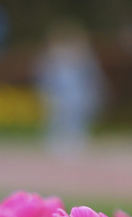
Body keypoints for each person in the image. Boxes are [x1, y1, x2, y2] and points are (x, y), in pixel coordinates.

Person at [38, 22, 104, 157]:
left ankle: (76, 143)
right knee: (58, 119)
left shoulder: (84, 58)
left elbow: (92, 78)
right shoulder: (51, 58)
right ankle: (57, 144)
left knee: (76, 120)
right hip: (59, 95)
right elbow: (45, 78)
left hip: (77, 96)